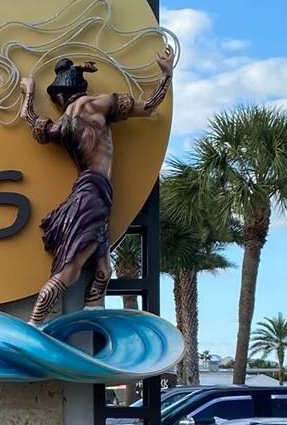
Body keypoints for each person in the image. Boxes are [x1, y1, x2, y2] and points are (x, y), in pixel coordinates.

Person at [19, 43, 175, 324]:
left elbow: (30, 120)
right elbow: (149, 107)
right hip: (94, 194)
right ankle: (35, 322)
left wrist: (28, 92)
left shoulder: (62, 125)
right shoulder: (99, 105)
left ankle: (92, 314)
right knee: (70, 270)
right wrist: (166, 75)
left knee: (103, 270)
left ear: (61, 95)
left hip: (91, 192)